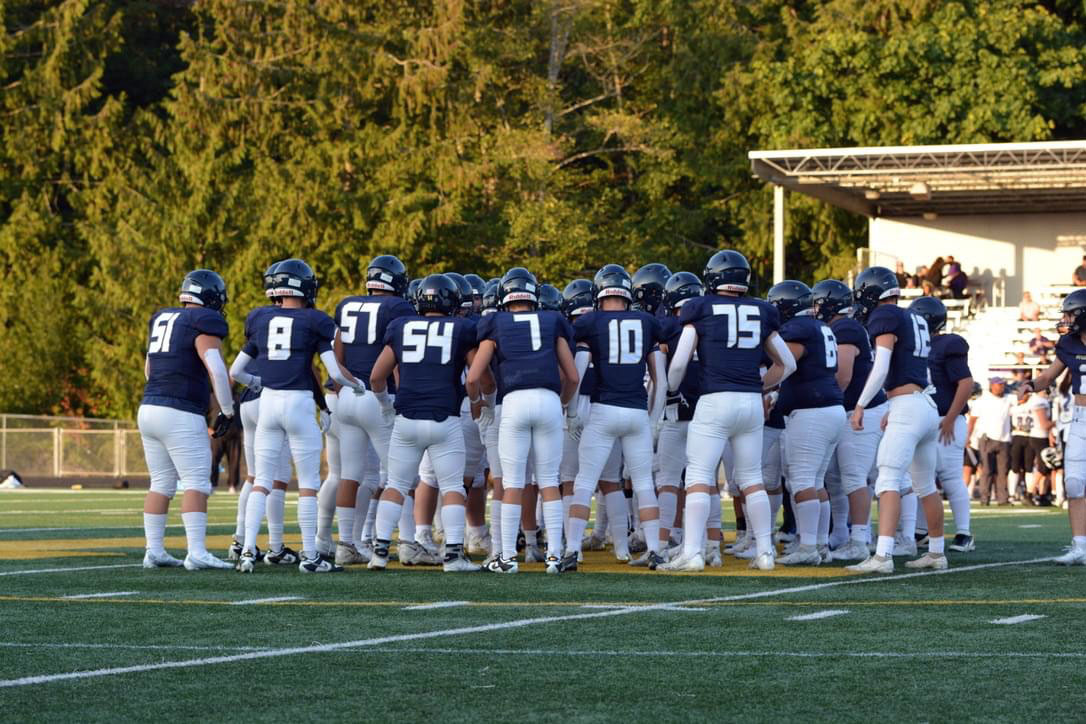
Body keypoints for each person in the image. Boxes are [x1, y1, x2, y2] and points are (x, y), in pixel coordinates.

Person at [662, 250, 796, 572]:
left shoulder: (700, 308)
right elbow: (787, 363)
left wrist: (671, 388)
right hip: (750, 402)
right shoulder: (762, 310)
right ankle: (765, 551)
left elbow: (680, 361)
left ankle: (692, 552)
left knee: (697, 475)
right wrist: (762, 389)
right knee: (751, 479)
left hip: (714, 400)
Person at [230, 258, 364, 574]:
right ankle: (310, 556)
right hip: (300, 404)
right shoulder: (315, 321)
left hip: (269, 403)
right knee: (307, 484)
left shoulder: (259, 318)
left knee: (261, 480)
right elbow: (334, 372)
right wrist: (357, 385)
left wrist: (256, 382)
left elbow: (236, 371)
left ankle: (248, 551)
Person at [467, 267, 579, 573]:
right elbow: (572, 375)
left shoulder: (495, 322)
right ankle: (555, 556)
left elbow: (474, 376)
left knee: (512, 483)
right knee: (549, 482)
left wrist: (479, 404)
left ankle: (506, 558)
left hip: (513, 402)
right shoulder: (551, 320)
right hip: (548, 401)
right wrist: (564, 405)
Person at [366, 274, 481, 572]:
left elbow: (377, 376)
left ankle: (379, 552)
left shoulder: (401, 326)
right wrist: (485, 402)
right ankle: (454, 556)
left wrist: (386, 406)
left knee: (396, 485)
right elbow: (476, 373)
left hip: (406, 419)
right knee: (453, 486)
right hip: (446, 418)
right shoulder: (463, 328)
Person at [562, 264, 668, 572]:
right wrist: (654, 419)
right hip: (636, 411)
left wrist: (570, 412)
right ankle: (654, 550)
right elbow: (659, 379)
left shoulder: (589, 322)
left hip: (603, 410)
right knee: (645, 483)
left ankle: (571, 550)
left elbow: (578, 370)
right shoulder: (647, 322)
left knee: (584, 482)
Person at [845, 266, 944, 573]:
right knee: (925, 484)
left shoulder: (885, 316)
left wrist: (861, 404)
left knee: (888, 479)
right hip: (925, 404)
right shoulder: (914, 316)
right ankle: (937, 552)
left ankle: (883, 556)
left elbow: (883, 365)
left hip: (908, 405)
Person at [139, 269, 235, 571]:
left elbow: (148, 369)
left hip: (149, 407)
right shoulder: (201, 322)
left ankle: (153, 550)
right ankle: (196, 551)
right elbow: (217, 370)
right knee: (196, 482)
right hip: (180, 412)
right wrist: (228, 410)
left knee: (161, 483)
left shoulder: (163, 319)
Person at [330, 254, 414, 566]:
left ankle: (346, 543)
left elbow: (336, 355)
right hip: (378, 397)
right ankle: (408, 541)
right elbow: (397, 355)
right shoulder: (398, 308)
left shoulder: (347, 304)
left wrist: (342, 389)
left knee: (350, 474)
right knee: (400, 474)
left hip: (349, 396)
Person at [768, 281, 845, 566]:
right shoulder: (821, 327)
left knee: (802, 479)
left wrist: (759, 387)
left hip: (812, 411)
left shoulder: (798, 330)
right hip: (831, 408)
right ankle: (820, 545)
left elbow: (785, 363)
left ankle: (809, 547)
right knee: (814, 481)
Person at [811, 279, 887, 562]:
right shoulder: (840, 327)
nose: (815, 308)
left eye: (818, 302)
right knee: (834, 477)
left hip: (859, 410)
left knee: (854, 475)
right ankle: (842, 533)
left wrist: (823, 402)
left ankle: (859, 537)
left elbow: (843, 376)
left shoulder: (845, 328)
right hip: (848, 409)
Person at [1021, 289, 1086, 563]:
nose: (1065, 319)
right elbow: (1048, 375)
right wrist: (1030, 385)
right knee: (1073, 483)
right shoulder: (1068, 343)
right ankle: (1080, 546)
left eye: (1070, 314)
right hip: (1081, 417)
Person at [910, 296, 975, 552]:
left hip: (947, 420)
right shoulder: (915, 346)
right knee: (919, 477)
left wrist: (949, 418)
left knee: (949, 477)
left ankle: (964, 533)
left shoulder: (948, 344)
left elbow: (965, 383)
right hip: (924, 419)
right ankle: (920, 531)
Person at [968, 377, 1013, 506]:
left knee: (1002, 471)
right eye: (998, 385)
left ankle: (1002, 498)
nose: (1000, 387)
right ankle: (984, 497)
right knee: (987, 470)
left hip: (1004, 438)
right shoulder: (982, 401)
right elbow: (972, 420)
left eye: (1002, 385)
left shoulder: (1008, 399)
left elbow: (1021, 399)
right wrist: (968, 436)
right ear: (991, 386)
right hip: (986, 438)